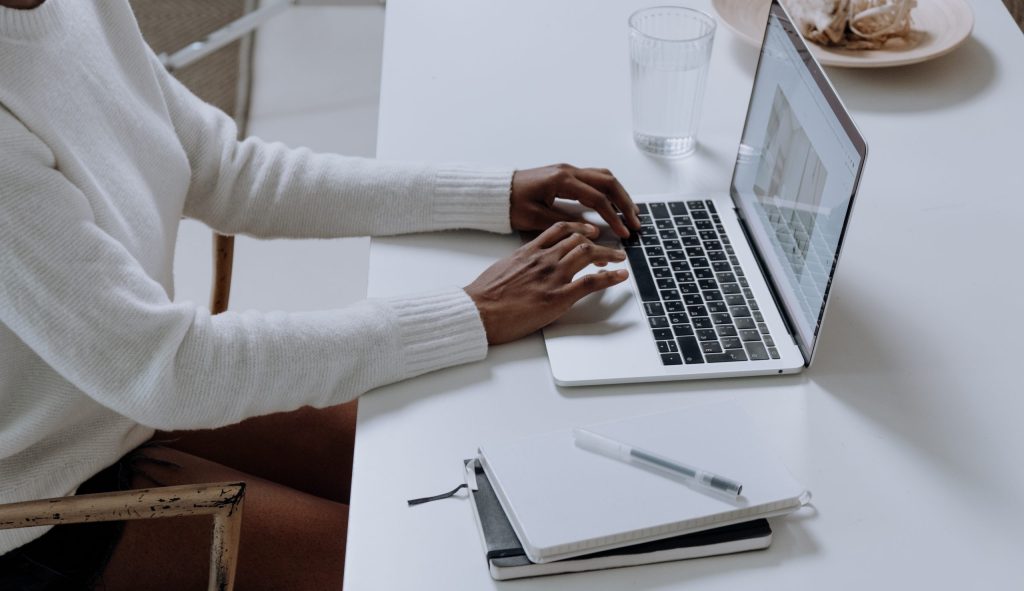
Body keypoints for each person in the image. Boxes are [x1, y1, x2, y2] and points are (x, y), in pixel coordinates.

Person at [0, 0, 640, 589]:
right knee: (420, 563)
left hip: (119, 406)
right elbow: (171, 368)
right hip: (37, 505)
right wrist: (473, 311)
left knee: (455, 465)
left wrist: (489, 193)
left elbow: (227, 169)